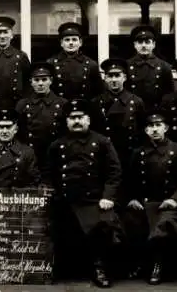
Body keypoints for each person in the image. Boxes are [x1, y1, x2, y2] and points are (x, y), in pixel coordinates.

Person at [43, 99, 123, 288]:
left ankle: (99, 267)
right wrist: (47, 190)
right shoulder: (57, 145)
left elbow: (114, 172)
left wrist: (108, 197)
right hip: (64, 199)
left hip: (93, 199)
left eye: (80, 117)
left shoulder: (102, 142)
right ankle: (55, 267)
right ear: (67, 121)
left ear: (88, 120)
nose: (76, 121)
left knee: (103, 226)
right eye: (72, 118)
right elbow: (48, 173)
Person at [124, 110, 177, 285]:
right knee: (129, 220)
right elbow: (129, 179)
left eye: (158, 126)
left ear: (166, 128)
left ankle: (158, 264)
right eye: (150, 126)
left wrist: (175, 199)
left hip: (171, 204)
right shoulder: (139, 152)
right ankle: (141, 263)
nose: (154, 130)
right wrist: (133, 198)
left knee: (163, 225)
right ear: (146, 131)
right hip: (147, 203)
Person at [91, 58, 146, 170]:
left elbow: (142, 130)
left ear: (124, 77)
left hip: (129, 154)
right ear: (105, 78)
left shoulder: (136, 101)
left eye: (117, 75)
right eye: (110, 76)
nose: (114, 79)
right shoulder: (96, 102)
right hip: (104, 155)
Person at [15, 62, 68, 170]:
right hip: (29, 154)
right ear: (31, 82)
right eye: (36, 80)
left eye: (44, 79)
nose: (40, 83)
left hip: (55, 154)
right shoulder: (23, 104)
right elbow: (17, 132)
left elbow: (66, 133)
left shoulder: (62, 104)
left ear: (51, 81)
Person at [46, 22, 104, 101]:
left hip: (83, 108)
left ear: (80, 43)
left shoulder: (91, 64)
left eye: (74, 39)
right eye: (67, 40)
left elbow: (98, 93)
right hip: (59, 108)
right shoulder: (51, 63)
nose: (71, 43)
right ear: (61, 43)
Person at [125, 25, 174, 111]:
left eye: (147, 42)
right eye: (140, 42)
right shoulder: (126, 66)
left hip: (156, 111)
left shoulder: (164, 66)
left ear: (153, 44)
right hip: (132, 111)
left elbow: (169, 94)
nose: (143, 45)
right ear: (135, 45)